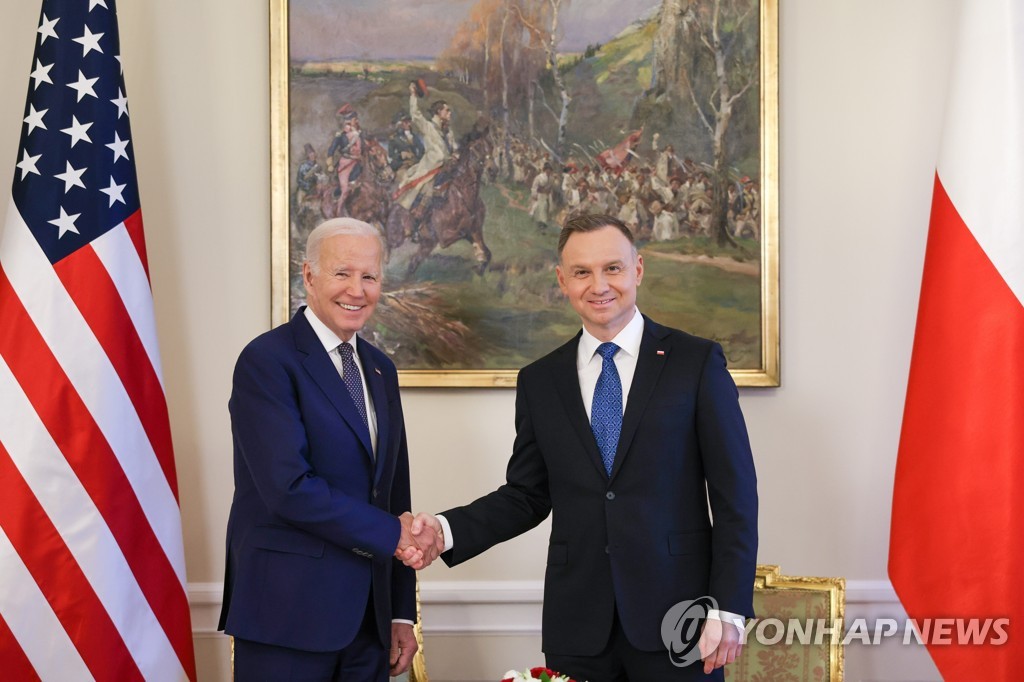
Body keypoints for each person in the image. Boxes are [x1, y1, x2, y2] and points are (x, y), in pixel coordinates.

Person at [405, 214, 758, 681]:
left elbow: (736, 497)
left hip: (683, 619)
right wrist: (446, 530)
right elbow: (527, 495)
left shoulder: (695, 363)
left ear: (638, 270)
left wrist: (728, 608)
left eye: (612, 268)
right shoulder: (540, 380)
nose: (599, 285)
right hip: (578, 629)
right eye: (582, 272)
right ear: (562, 280)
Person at [219, 218, 443, 681]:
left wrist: (402, 612)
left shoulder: (380, 369)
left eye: (370, 276)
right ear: (309, 275)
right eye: (343, 273)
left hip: (369, 622)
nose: (357, 290)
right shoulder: (267, 361)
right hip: (286, 616)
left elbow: (392, 495)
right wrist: (393, 535)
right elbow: (288, 488)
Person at [388, 110, 424, 183]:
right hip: (401, 165)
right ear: (400, 124)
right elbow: (391, 155)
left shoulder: (415, 136)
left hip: (415, 164)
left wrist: (417, 158)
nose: (408, 124)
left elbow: (422, 150)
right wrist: (401, 155)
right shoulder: (394, 138)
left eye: (409, 122)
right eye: (405, 122)